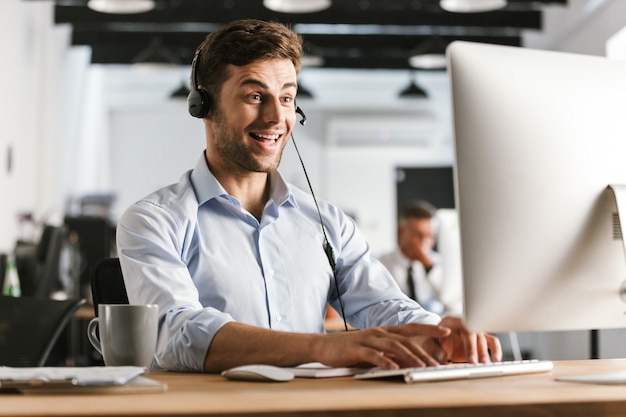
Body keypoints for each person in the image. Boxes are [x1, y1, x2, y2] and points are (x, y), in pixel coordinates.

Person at [116, 19, 501, 373]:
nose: (275, 117)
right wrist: (324, 347)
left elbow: (380, 303)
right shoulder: (153, 221)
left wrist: (441, 332)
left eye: (286, 98)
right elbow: (176, 335)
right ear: (205, 105)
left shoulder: (326, 222)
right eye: (255, 96)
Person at [379, 201, 461, 316]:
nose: (425, 243)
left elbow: (452, 302)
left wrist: (429, 267)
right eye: (418, 235)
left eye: (430, 236)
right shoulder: (382, 264)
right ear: (401, 232)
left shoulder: (439, 263)